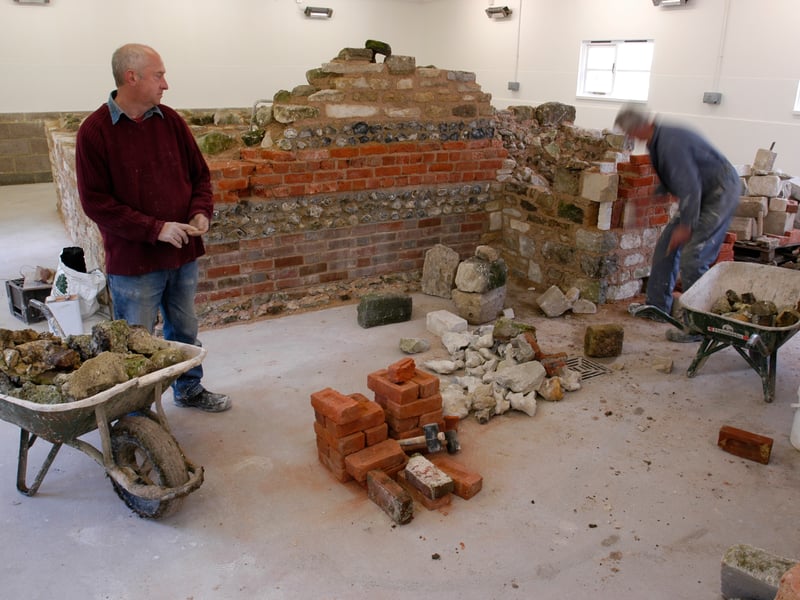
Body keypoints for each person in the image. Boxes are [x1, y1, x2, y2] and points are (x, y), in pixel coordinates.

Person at [75, 43, 231, 412]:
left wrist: (200, 212)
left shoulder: (170, 121)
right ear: (132, 77)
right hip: (135, 263)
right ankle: (135, 413)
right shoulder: (95, 132)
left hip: (182, 255)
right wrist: (154, 229)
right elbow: (96, 202)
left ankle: (188, 389)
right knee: (135, 341)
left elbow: (199, 176)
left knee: (184, 331)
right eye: (158, 75)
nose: (165, 84)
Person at [614, 105, 740, 343]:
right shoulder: (657, 140)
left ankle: (698, 326)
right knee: (665, 248)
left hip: (719, 193)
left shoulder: (670, 142)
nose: (630, 137)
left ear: (643, 125)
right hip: (701, 194)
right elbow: (673, 178)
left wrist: (686, 226)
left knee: (694, 258)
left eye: (630, 132)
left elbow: (689, 186)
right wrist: (649, 198)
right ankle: (657, 306)